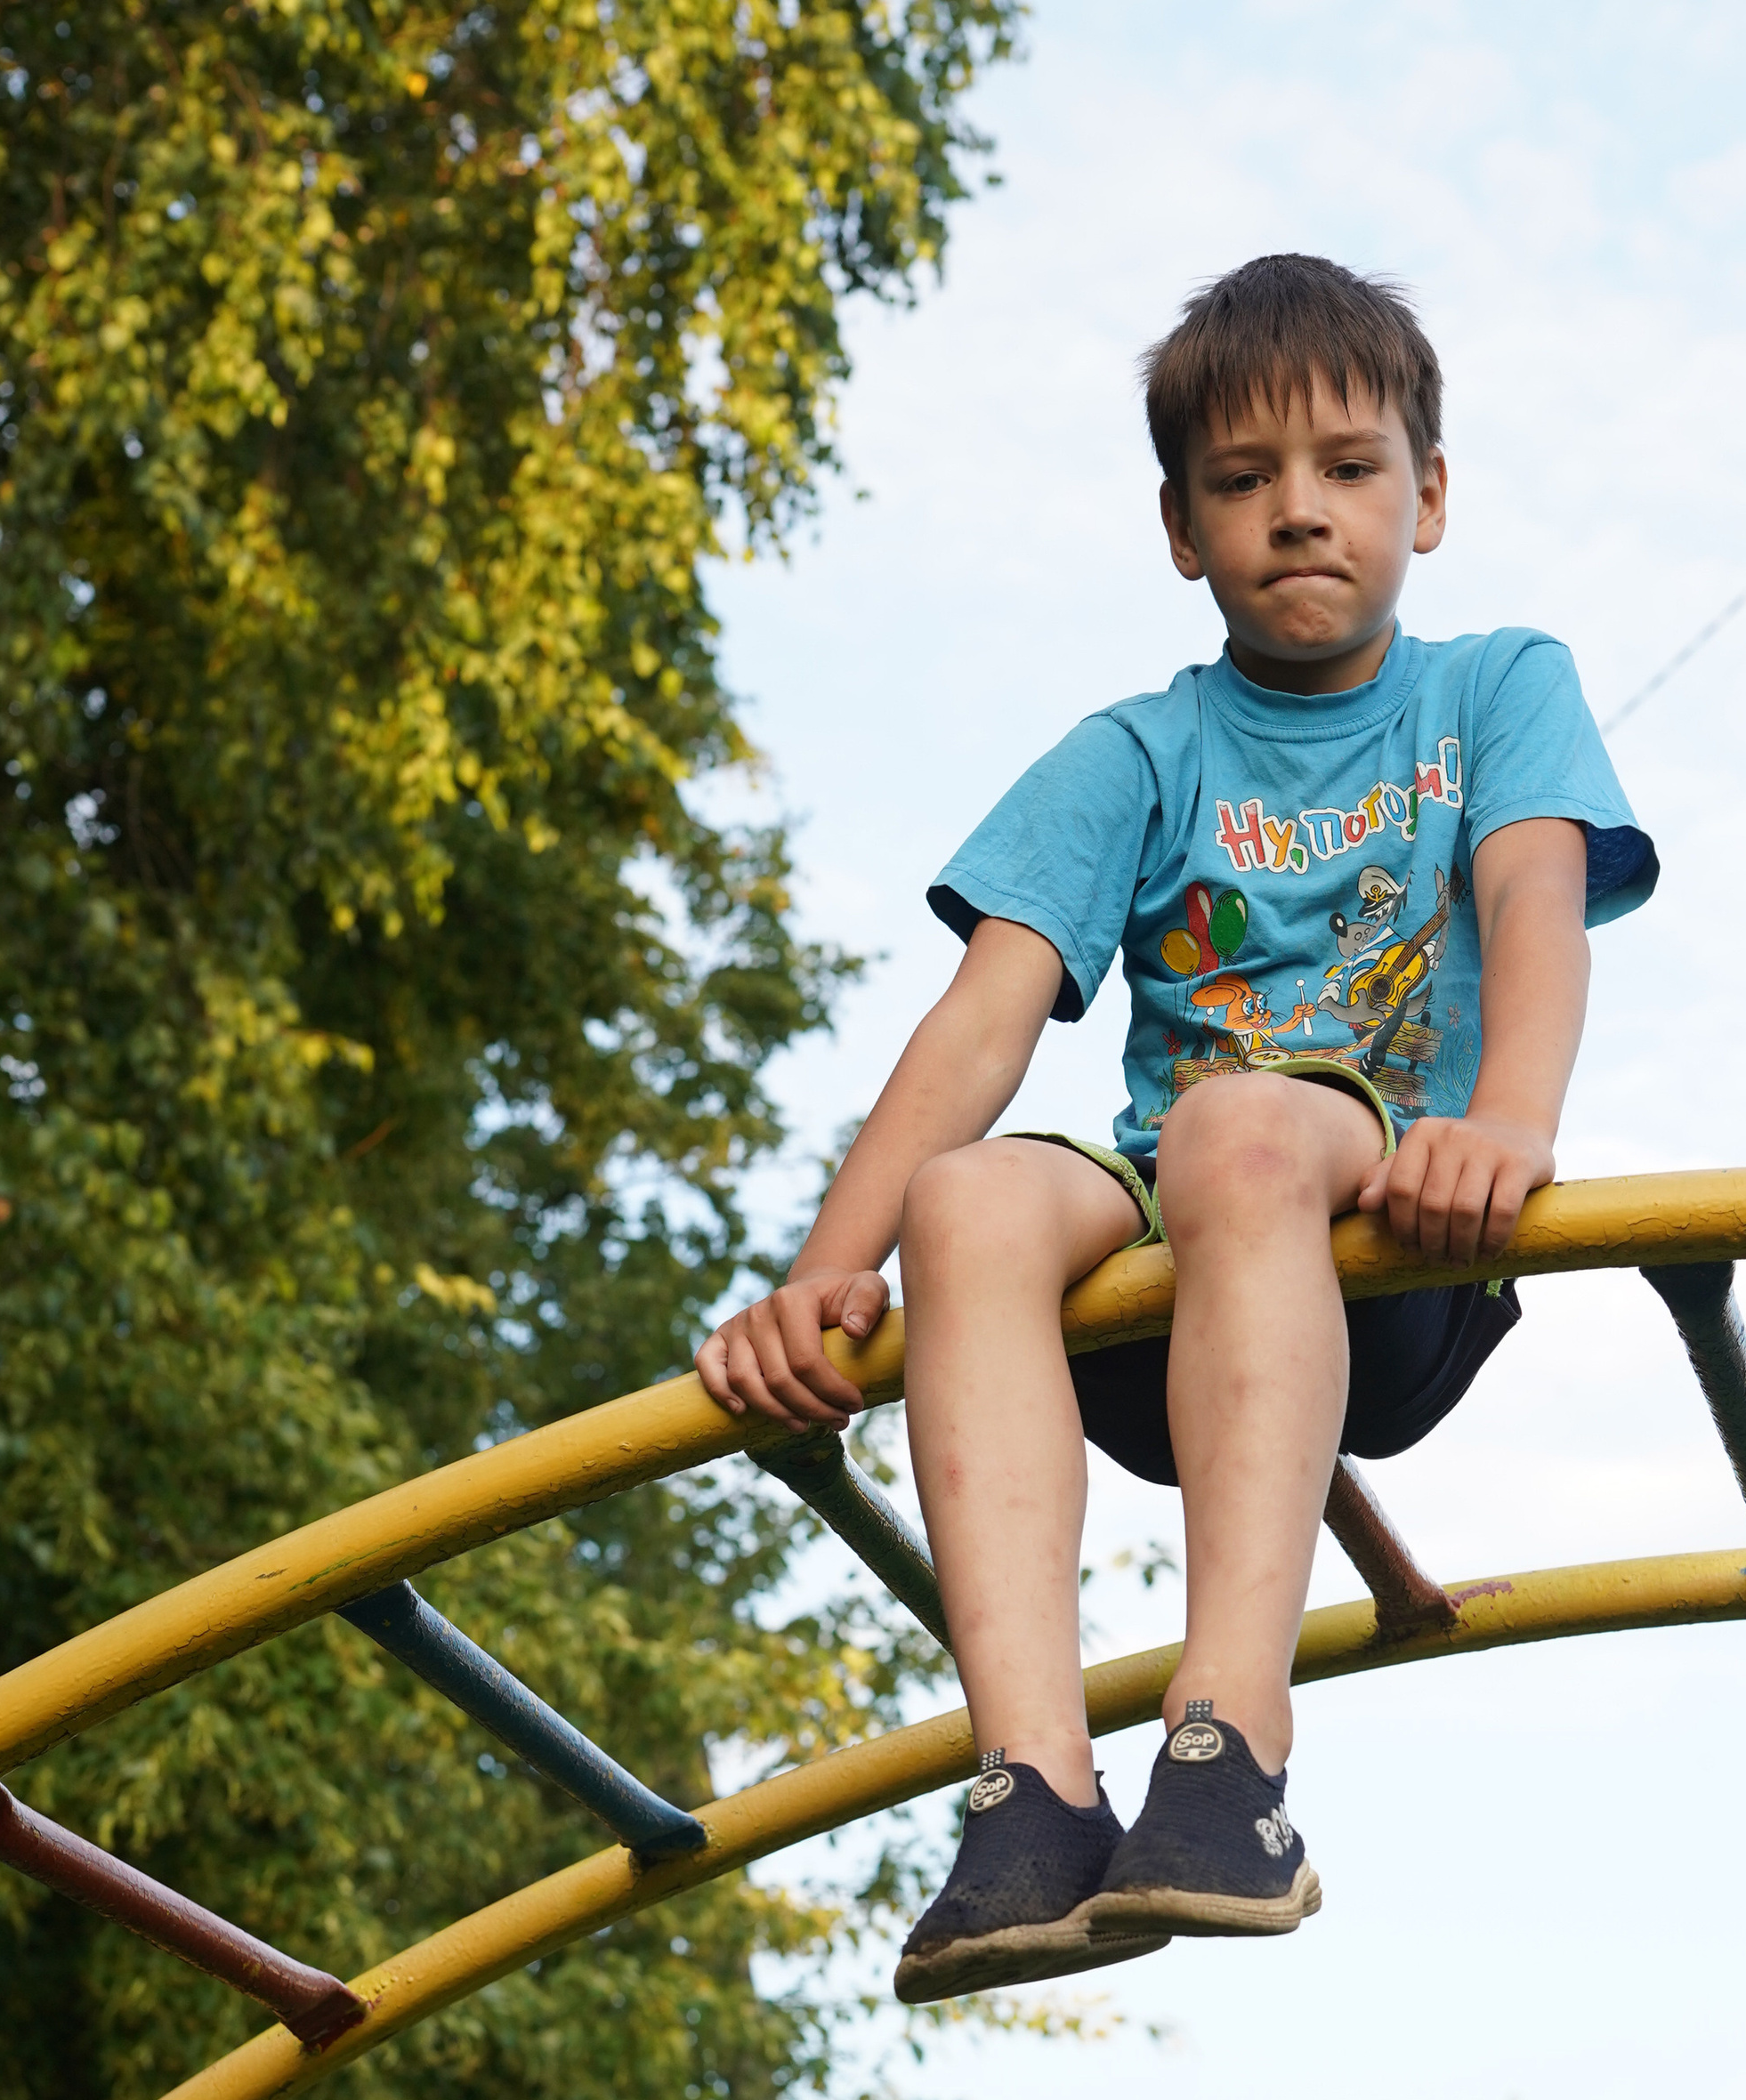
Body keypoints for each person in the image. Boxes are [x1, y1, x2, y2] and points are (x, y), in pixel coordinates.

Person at [695, 254, 1656, 2003]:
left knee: (1237, 1133)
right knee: (973, 1198)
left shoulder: (1491, 691)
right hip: (1162, 1297)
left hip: (1386, 1263)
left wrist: (1504, 1121)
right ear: (1178, 526)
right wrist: (822, 1276)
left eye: (1346, 470)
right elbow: (981, 1016)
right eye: (1241, 481)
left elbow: (1529, 900)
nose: (1297, 513)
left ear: (1425, 497)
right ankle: (1033, 1799)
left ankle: (1228, 1755)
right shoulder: (1135, 756)